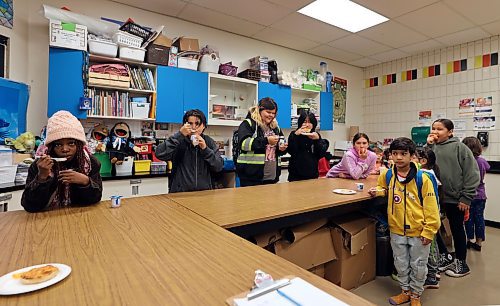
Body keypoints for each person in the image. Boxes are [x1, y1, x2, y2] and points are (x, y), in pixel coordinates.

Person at [369, 137, 440, 306]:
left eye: (403, 154)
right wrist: (378, 191)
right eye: (395, 153)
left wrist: (429, 231)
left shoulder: (423, 178)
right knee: (400, 263)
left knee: (418, 265)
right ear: (390, 155)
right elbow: (384, 188)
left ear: (411, 155)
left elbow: (432, 208)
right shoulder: (387, 174)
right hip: (396, 229)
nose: (399, 157)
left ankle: (415, 295)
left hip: (419, 231)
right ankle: (405, 291)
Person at [427, 119, 479, 277]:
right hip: (436, 197)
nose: (436, 131)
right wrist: (428, 145)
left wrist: (466, 198)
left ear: (450, 132)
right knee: (434, 227)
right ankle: (445, 255)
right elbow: (422, 163)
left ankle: (461, 263)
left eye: (440, 129)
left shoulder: (460, 148)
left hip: (456, 199)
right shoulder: (432, 148)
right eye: (433, 128)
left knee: (457, 230)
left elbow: (472, 174)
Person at [21, 111, 102, 212]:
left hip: (78, 217)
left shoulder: (91, 163)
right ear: (51, 147)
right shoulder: (40, 165)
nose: (65, 149)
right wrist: (42, 177)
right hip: (46, 219)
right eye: (58, 145)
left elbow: (96, 199)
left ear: (79, 145)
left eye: (71, 143)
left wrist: (85, 181)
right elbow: (29, 206)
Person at [155, 109, 223, 193]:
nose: (193, 127)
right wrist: (179, 134)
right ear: (184, 125)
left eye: (197, 124)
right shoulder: (178, 140)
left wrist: (205, 149)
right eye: (190, 124)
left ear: (204, 126)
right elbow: (159, 153)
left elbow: (218, 167)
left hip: (204, 195)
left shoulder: (209, 142)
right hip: (180, 194)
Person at [236, 97, 287, 186]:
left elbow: (281, 147)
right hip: (251, 177)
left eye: (273, 113)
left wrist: (282, 148)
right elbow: (244, 144)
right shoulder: (248, 124)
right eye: (268, 112)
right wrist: (266, 140)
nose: (271, 115)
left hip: (272, 177)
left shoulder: (276, 127)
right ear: (259, 110)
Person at [416, 148, 442, 289]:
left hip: (428, 217)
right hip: (432, 214)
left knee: (429, 247)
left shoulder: (423, 174)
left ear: (423, 161)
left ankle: (431, 277)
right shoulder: (431, 172)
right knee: (433, 245)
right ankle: (435, 271)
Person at [462, 136, 490, 252]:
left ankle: (469, 240)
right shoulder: (482, 161)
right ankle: (479, 242)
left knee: (468, 219)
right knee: (479, 219)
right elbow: (487, 168)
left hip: (468, 195)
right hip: (481, 195)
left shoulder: (465, 161)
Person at [287, 111, 328, 181]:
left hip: (312, 175)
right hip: (295, 175)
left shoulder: (316, 135)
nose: (307, 124)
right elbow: (291, 151)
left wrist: (317, 140)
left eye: (309, 122)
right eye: (305, 122)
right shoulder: (294, 134)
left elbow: (320, 154)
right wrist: (296, 136)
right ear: (300, 123)